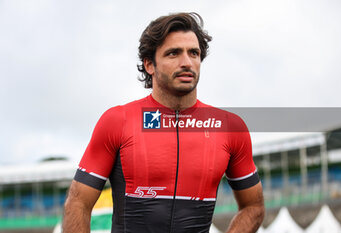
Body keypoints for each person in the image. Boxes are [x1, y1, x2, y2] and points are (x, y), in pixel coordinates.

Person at [63, 12, 264, 233]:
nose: (186, 62)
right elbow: (78, 203)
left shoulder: (229, 128)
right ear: (150, 64)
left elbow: (253, 206)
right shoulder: (117, 121)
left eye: (194, 53)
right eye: (173, 53)